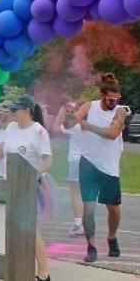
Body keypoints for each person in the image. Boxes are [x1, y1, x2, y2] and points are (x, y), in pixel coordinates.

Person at [0, 95, 54, 281]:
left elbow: (47, 161)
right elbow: (1, 152)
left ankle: (43, 272)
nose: (11, 113)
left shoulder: (38, 132)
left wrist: (30, 174)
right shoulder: (11, 128)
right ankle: (18, 267)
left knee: (30, 229)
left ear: (26, 111)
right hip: (10, 185)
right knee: (13, 228)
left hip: (28, 186)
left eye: (14, 110)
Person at [74, 73, 126, 263]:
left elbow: (113, 133)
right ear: (102, 95)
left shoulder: (120, 111)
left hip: (109, 166)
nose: (114, 102)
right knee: (89, 207)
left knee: (114, 209)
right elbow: (77, 117)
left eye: (117, 99)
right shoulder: (91, 105)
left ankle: (112, 237)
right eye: (111, 99)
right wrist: (76, 118)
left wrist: (89, 126)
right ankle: (91, 246)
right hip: (89, 162)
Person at [53, 101, 85, 237]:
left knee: (75, 193)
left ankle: (78, 223)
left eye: (71, 111)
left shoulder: (74, 127)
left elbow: (55, 128)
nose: (69, 114)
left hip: (76, 161)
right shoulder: (85, 126)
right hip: (88, 162)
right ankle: (86, 222)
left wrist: (60, 113)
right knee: (87, 194)